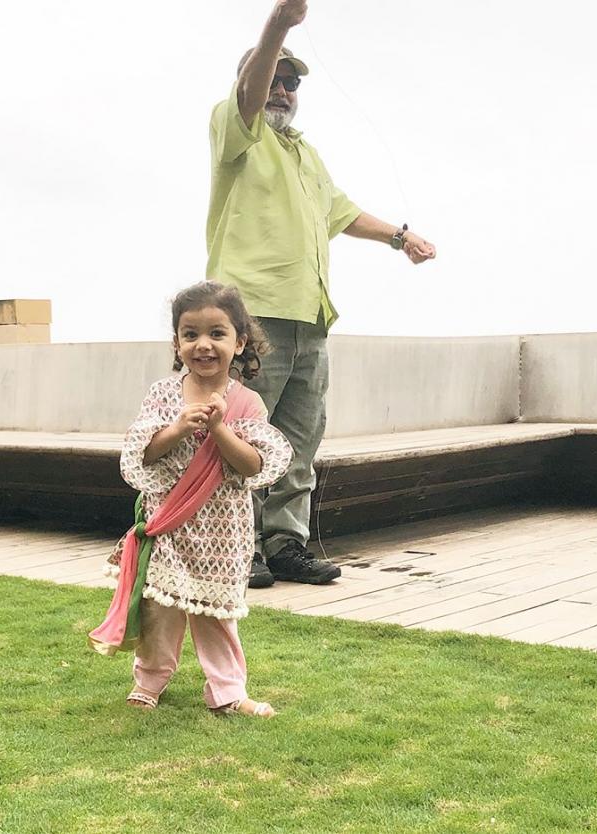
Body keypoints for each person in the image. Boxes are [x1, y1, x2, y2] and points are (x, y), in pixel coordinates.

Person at [206, 0, 437, 589]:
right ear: (250, 82)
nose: (282, 89)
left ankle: (286, 543)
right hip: (252, 313)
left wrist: (400, 237)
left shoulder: (305, 153)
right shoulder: (236, 130)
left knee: (299, 442)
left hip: (311, 318)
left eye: (290, 82)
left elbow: (344, 212)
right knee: (243, 434)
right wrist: (279, 25)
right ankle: (238, 547)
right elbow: (250, 96)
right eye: (272, 78)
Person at [88, 281, 293, 718]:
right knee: (159, 607)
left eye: (217, 333)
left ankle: (228, 692)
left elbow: (253, 465)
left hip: (223, 529)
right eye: (191, 333)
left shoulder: (247, 402)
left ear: (240, 342)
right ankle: (149, 682)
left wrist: (220, 429)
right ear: (177, 342)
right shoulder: (164, 395)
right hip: (170, 523)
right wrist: (179, 427)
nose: (203, 345)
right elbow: (144, 451)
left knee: (217, 614)